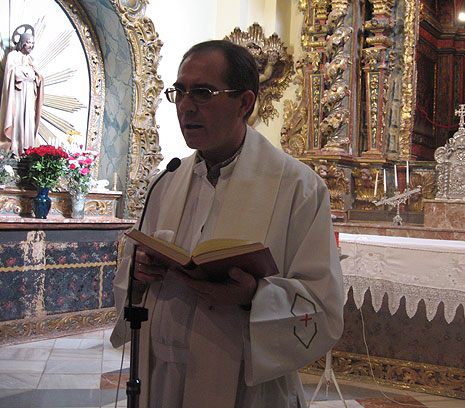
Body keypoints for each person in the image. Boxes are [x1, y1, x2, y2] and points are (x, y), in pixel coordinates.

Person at [110, 40, 344, 407]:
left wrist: (254, 297)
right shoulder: (167, 180)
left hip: (245, 389)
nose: (186, 106)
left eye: (203, 92)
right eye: (180, 92)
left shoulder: (298, 187)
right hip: (162, 379)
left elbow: (323, 305)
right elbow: (131, 276)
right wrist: (137, 272)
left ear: (244, 103)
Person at [0, 24, 44, 154]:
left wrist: (35, 73)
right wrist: (22, 71)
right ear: (22, 43)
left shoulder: (32, 60)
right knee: (17, 118)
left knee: (29, 120)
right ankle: (15, 147)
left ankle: (27, 148)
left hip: (29, 95)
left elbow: (39, 79)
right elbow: (10, 73)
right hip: (17, 95)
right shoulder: (13, 56)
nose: (30, 45)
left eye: (32, 43)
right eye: (28, 42)